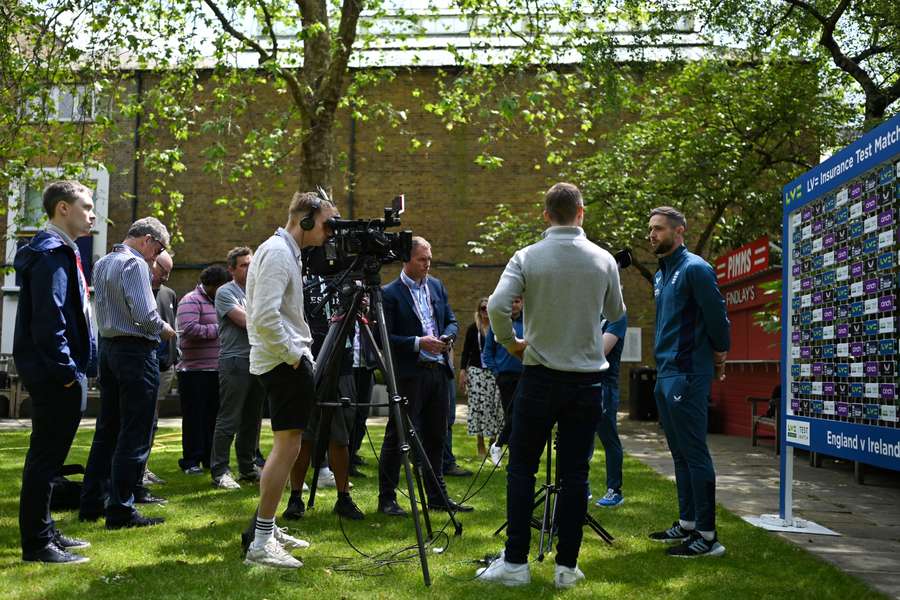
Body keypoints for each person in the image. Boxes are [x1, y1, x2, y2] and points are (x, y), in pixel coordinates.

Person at [478, 182, 625, 589]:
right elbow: (616, 312)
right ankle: (566, 567)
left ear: (546, 215)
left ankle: (516, 563)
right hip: (586, 381)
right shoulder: (604, 259)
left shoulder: (527, 257)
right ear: (582, 212)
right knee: (576, 474)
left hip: (540, 375)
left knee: (522, 468)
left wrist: (511, 343)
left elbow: (495, 305)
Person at [243, 191, 337, 568]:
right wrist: (294, 356)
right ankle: (262, 540)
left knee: (290, 448)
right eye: (328, 223)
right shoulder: (280, 253)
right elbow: (264, 316)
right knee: (286, 449)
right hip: (283, 364)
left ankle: (268, 527)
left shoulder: (283, 250)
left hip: (283, 362)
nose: (331, 231)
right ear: (307, 220)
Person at [14, 181, 97, 563]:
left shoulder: (62, 252)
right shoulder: (51, 254)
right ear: (63, 208)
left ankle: (45, 530)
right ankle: (37, 543)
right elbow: (51, 320)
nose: (93, 214)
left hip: (60, 371)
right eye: (87, 206)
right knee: (45, 459)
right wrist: (66, 371)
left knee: (50, 459)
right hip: (56, 374)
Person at [80, 217, 176, 529]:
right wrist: (166, 330)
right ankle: (121, 509)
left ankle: (91, 503)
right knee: (135, 432)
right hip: (135, 353)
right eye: (158, 249)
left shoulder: (102, 261)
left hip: (108, 350)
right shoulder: (135, 265)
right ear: (147, 240)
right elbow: (147, 316)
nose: (155, 257)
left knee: (107, 429)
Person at [646, 206, 730, 558]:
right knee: (679, 454)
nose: (652, 235)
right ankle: (688, 523)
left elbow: (717, 319)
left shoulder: (695, 268)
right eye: (650, 229)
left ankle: (708, 537)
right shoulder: (660, 275)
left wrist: (720, 355)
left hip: (688, 375)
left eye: (659, 229)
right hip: (665, 373)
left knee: (695, 453)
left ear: (680, 231)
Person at [377, 236, 472, 517]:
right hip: (410, 374)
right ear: (406, 260)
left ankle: (437, 496)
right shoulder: (389, 293)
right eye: (422, 259)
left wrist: (449, 335)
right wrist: (418, 342)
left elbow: (451, 319)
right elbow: (385, 338)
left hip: (438, 372)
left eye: (429, 259)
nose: (427, 264)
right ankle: (387, 498)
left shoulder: (436, 286)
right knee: (398, 435)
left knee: (437, 435)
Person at [210, 247, 266, 489]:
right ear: (231, 269)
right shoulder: (225, 292)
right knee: (229, 419)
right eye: (243, 265)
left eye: (251, 263)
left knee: (253, 419)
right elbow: (246, 321)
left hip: (258, 360)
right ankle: (220, 470)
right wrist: (267, 317)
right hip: (235, 361)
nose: (250, 268)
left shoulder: (258, 291)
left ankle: (247, 467)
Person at [176, 265, 230, 475]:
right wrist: (219, 329)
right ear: (212, 285)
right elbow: (188, 329)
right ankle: (191, 460)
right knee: (194, 417)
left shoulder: (218, 301)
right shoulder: (190, 300)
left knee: (213, 417)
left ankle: (209, 457)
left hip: (216, 369)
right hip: (194, 371)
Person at [140, 250, 176, 490]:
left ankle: (144, 466)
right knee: (142, 418)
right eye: (163, 271)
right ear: (153, 266)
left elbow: (173, 325)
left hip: (165, 365)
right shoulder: (140, 291)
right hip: (145, 363)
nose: (166, 276)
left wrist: (176, 355)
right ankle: (136, 469)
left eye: (169, 272)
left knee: (153, 419)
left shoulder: (169, 293)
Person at [482, 295, 524, 467]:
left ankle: (512, 451)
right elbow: (488, 352)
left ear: (522, 303)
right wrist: (496, 372)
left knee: (522, 415)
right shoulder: (499, 323)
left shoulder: (529, 323)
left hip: (525, 374)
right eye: (511, 301)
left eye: (517, 301)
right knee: (512, 415)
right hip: (505, 376)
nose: (514, 305)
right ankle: (498, 445)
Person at [593, 313, 627, 508]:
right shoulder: (593, 312)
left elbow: (602, 350)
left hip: (605, 386)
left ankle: (614, 490)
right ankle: (583, 487)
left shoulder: (617, 316)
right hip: (586, 382)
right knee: (582, 438)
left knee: (608, 437)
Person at [460, 298, 502, 458]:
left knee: (495, 407)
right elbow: (465, 352)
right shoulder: (473, 329)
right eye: (482, 308)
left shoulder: (498, 327)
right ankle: (480, 443)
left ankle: (493, 442)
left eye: (487, 308)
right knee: (477, 407)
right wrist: (462, 371)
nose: (485, 311)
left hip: (494, 372)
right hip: (476, 371)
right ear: (479, 311)